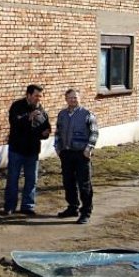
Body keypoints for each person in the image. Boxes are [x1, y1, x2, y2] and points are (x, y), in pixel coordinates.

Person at [5, 84, 51, 215]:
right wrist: (28, 117)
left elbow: (46, 126)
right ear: (28, 95)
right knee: (13, 179)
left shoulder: (41, 109)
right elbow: (14, 122)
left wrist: (46, 133)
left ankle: (28, 206)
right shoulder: (17, 106)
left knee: (31, 179)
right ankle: (10, 206)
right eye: (36, 96)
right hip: (17, 149)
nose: (38, 99)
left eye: (40, 97)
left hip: (32, 150)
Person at [54, 88, 99, 224]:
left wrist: (89, 148)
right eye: (70, 98)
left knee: (84, 184)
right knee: (68, 182)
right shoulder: (62, 114)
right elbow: (57, 132)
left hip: (82, 154)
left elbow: (94, 133)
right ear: (66, 99)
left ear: (79, 98)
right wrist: (58, 148)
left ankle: (85, 212)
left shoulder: (87, 114)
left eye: (75, 97)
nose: (73, 100)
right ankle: (72, 207)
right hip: (66, 153)